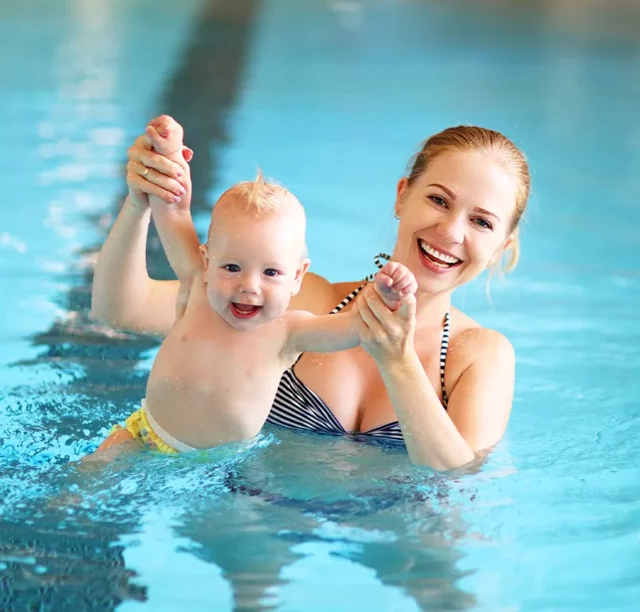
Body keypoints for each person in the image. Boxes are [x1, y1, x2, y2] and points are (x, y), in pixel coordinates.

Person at [92, 116, 531, 470]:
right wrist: (138, 202)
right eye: (438, 200)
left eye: (482, 222)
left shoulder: (479, 356)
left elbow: (459, 487)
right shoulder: (291, 300)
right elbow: (121, 311)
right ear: (402, 197)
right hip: (243, 527)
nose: (451, 231)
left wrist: (396, 360)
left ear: (500, 249)